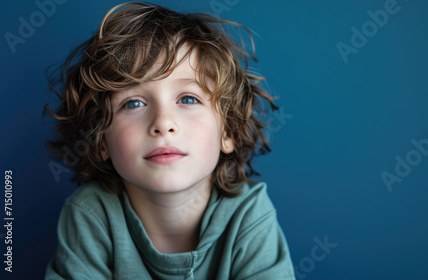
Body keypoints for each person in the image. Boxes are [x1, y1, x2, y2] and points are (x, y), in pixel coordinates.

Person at [44, 2, 295, 279]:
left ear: (227, 132)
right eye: (133, 103)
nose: (163, 123)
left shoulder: (249, 215)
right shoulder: (90, 214)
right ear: (101, 140)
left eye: (188, 99)